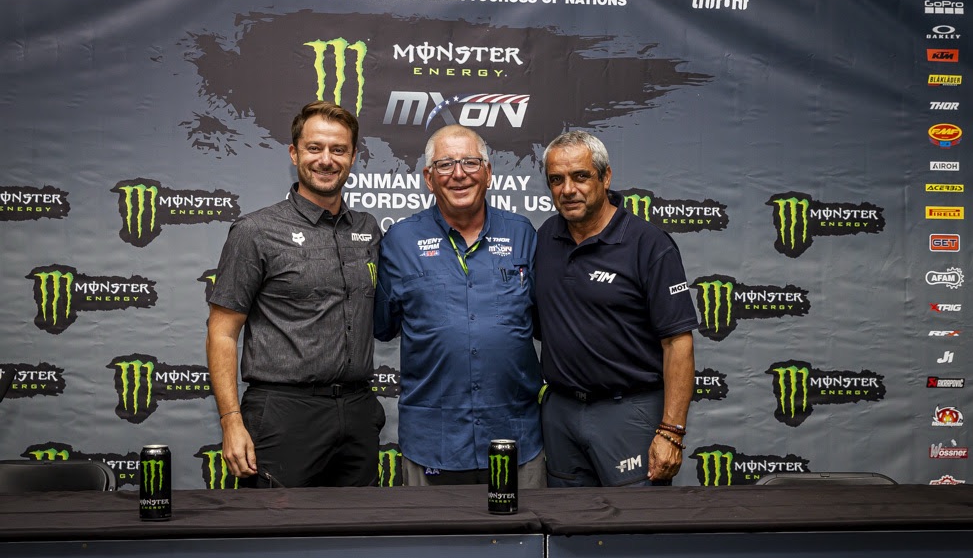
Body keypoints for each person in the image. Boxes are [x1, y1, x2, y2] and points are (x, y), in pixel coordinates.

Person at [206, 101, 384, 488]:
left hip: (358, 411)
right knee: (275, 524)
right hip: (283, 413)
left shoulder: (368, 229)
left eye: (338, 149)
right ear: (294, 153)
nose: (326, 160)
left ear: (353, 156)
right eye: (314, 148)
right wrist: (231, 421)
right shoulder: (255, 231)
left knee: (359, 524)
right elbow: (222, 332)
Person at [374, 125, 545, 487]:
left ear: (488, 172)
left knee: (525, 526)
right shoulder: (399, 241)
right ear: (428, 178)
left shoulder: (523, 235)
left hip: (515, 435)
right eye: (445, 164)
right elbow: (383, 325)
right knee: (431, 527)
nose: (459, 173)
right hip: (432, 442)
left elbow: (544, 322)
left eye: (470, 162)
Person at [535, 130, 698, 487]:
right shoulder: (545, 237)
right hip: (561, 413)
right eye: (557, 180)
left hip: (628, 411)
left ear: (605, 177)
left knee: (635, 518)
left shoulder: (648, 244)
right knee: (565, 518)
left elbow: (677, 343)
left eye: (580, 176)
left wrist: (671, 431)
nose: (568, 189)